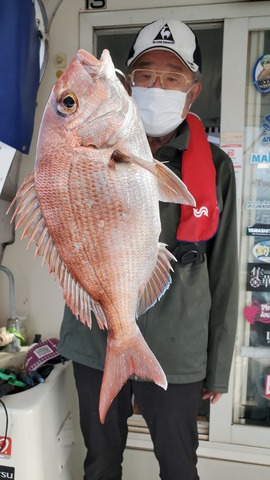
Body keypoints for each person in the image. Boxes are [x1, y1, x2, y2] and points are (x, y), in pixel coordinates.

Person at [58, 18, 238, 480]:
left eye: (172, 77)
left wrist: (216, 368)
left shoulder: (215, 166)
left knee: (179, 467)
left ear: (192, 92)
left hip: (178, 352)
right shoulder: (85, 146)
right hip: (96, 340)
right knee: (99, 464)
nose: (157, 84)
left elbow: (224, 271)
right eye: (145, 75)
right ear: (129, 84)